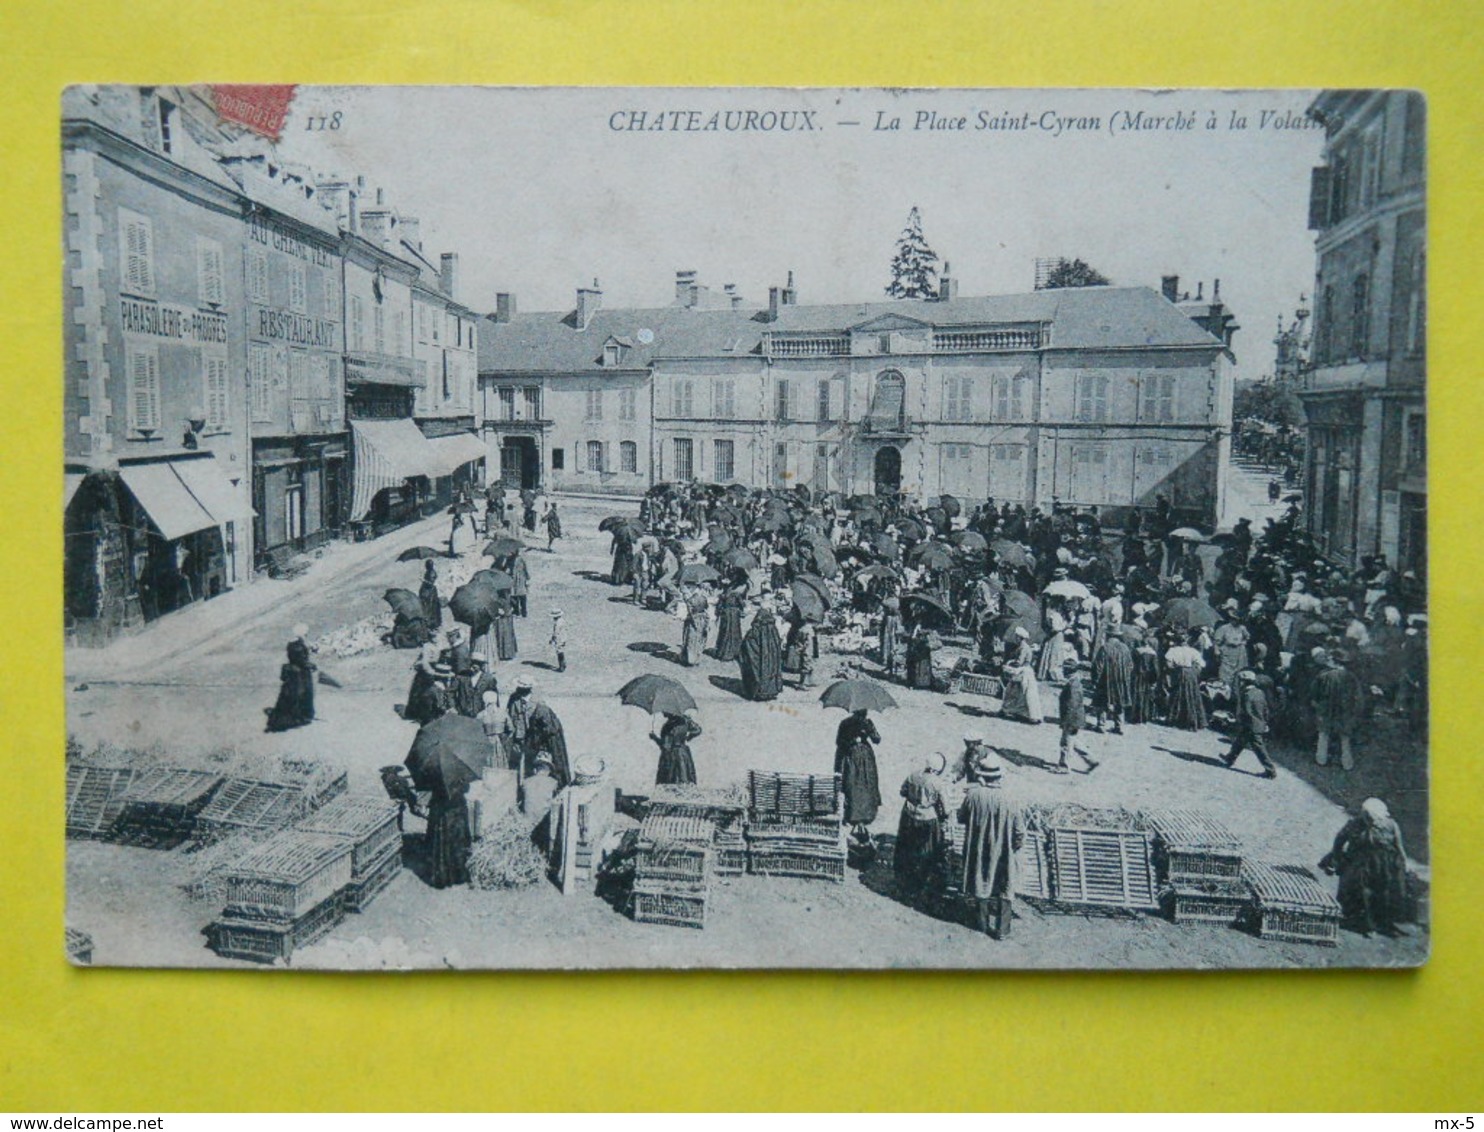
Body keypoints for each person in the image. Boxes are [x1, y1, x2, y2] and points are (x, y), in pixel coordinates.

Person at [958, 751, 1025, 940]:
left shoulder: (973, 796)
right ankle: (1002, 929)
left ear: (982, 776)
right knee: (1005, 886)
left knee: (981, 882)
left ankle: (982, 924)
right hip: (1003, 850)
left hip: (978, 848)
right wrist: (1014, 847)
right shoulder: (1010, 799)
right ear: (1000, 776)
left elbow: (961, 817)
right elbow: (1019, 832)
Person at [1320, 798, 1410, 937]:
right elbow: (1339, 840)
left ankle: (1383, 923)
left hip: (1383, 863)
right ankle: (1368, 926)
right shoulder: (1354, 824)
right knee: (1363, 893)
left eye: (1373, 819)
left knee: (1383, 892)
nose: (1370, 822)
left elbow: (1399, 847)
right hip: (1361, 862)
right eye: (1367, 818)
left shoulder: (1391, 825)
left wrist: (1404, 864)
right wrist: (1337, 858)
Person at [894, 752, 949, 904]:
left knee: (906, 849)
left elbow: (903, 791)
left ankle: (904, 883)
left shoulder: (913, 775)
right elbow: (946, 809)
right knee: (926, 854)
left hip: (908, 816)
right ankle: (919, 887)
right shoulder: (937, 783)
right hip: (927, 819)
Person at [834, 708, 882, 847]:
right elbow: (840, 741)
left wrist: (867, 731)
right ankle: (857, 813)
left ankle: (859, 812)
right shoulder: (848, 724)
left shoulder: (851, 723)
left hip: (858, 757)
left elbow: (877, 739)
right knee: (857, 784)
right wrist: (854, 740)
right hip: (856, 757)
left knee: (857, 784)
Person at [1312, 648, 1364, 770]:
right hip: (1345, 710)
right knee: (1345, 737)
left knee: (1323, 735)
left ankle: (1321, 760)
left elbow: (1314, 693)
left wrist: (1317, 705)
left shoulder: (1324, 675)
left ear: (1334, 661)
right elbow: (1358, 697)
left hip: (1326, 709)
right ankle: (1347, 764)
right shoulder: (1351, 677)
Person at [422, 765, 472, 890]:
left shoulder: (432, 767)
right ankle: (458, 875)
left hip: (439, 811)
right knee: (457, 843)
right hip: (455, 811)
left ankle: (442, 878)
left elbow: (428, 786)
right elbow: (466, 788)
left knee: (440, 843)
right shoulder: (459, 767)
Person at [1223, 669, 1277, 779]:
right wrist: (1265, 722)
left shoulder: (1246, 694)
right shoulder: (1259, 692)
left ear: (1244, 682)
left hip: (1250, 725)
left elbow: (1246, 712)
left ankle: (1270, 770)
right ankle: (1229, 758)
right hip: (1258, 724)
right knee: (1239, 742)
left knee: (1259, 749)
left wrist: (1238, 721)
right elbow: (1265, 709)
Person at [1053, 660, 1099, 774]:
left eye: (1064, 669)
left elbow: (1072, 704)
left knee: (1065, 742)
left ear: (1068, 670)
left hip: (1071, 718)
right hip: (1076, 717)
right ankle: (1092, 760)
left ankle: (1064, 766)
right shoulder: (1075, 681)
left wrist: (1066, 721)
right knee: (1074, 742)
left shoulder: (1072, 684)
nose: (1062, 671)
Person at [266, 636, 317, 732]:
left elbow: (283, 677)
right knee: (298, 696)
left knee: (292, 697)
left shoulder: (293, 650)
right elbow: (300, 659)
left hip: (296, 678)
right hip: (298, 678)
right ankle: (299, 716)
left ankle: (297, 715)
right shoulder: (299, 648)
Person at [1091, 630, 1135, 734]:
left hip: (1106, 679)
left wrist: (1095, 680)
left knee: (1102, 701)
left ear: (1108, 635)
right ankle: (1119, 726)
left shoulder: (1105, 647)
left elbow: (1098, 666)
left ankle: (1101, 725)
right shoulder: (1125, 648)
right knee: (1120, 702)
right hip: (1122, 680)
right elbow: (1130, 665)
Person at [1164, 629, 1208, 731]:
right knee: (1191, 695)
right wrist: (1194, 672)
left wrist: (1175, 670)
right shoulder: (1193, 651)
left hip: (1179, 673)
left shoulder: (1173, 651)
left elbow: (1168, 664)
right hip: (1190, 673)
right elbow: (1201, 665)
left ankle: (1175, 718)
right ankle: (1191, 720)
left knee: (1177, 695)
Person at [739, 603, 784, 702]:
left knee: (757, 671)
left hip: (759, 658)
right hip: (771, 659)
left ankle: (759, 691)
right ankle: (771, 691)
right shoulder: (773, 630)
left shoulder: (755, 630)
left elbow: (747, 644)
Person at [1000, 627, 1043, 725]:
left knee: (1023, 693)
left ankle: (1030, 715)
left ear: (1020, 638)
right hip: (1022, 671)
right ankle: (1015, 711)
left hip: (1024, 672)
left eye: (1017, 637)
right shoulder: (1021, 646)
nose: (1015, 638)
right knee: (1017, 692)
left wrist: (1009, 663)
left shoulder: (1024, 648)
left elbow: (1019, 662)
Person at [526, 696, 571, 788]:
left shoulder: (541, 711)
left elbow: (545, 730)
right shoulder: (546, 711)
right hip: (554, 743)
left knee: (553, 764)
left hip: (551, 744)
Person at [404, 641, 450, 726]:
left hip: (437, 669)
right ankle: (418, 713)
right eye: (434, 630)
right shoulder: (427, 646)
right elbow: (425, 662)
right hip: (427, 672)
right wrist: (431, 671)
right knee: (421, 693)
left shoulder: (440, 642)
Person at [655, 711, 702, 785]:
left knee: (671, 780)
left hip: (672, 756)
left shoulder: (668, 726)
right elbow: (698, 730)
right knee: (685, 777)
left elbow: (665, 746)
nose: (662, 712)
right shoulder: (685, 720)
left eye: (664, 710)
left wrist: (654, 738)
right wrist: (689, 736)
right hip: (683, 753)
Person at [451, 651, 498, 720]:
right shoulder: (461, 676)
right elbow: (450, 692)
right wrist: (452, 707)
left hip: (481, 715)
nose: (474, 665)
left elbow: (494, 697)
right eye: (472, 662)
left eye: (477, 663)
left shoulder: (489, 679)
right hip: (462, 714)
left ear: (482, 665)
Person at [503, 677, 534, 774]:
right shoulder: (513, 697)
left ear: (528, 689)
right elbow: (508, 713)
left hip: (531, 735)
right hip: (516, 735)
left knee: (530, 762)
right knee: (514, 762)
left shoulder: (537, 700)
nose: (518, 689)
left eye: (521, 688)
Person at [712, 586, 745, 662]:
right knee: (735, 633)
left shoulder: (722, 595)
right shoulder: (736, 595)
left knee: (725, 633)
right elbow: (742, 605)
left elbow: (718, 607)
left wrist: (719, 613)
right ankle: (735, 652)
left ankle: (724, 652)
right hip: (734, 615)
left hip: (726, 615)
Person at [905, 623, 940, 690]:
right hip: (916, 646)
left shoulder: (926, 625)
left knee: (923, 665)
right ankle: (914, 682)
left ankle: (923, 682)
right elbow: (913, 636)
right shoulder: (914, 625)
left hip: (922, 646)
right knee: (915, 665)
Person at [681, 587, 710, 667]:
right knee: (699, 640)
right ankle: (696, 659)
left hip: (692, 621)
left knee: (690, 640)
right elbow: (706, 609)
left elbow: (690, 612)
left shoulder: (690, 600)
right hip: (702, 620)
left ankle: (689, 659)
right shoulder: (704, 599)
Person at [878, 596, 903, 678]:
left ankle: (892, 668)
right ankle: (891, 666)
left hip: (890, 632)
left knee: (890, 648)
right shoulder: (890, 616)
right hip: (890, 632)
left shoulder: (892, 617)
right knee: (891, 648)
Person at [492, 593, 519, 661]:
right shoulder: (509, 597)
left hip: (500, 621)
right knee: (508, 636)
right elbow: (515, 604)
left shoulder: (496, 599)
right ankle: (509, 653)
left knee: (500, 636)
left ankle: (501, 653)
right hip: (508, 619)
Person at [419, 560, 443, 631]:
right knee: (429, 607)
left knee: (431, 607)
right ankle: (430, 623)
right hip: (429, 591)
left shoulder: (432, 572)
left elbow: (431, 583)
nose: (426, 566)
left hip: (430, 592)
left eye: (427, 565)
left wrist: (424, 581)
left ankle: (432, 624)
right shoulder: (429, 572)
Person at [795, 617, 818, 689]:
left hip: (807, 649)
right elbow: (807, 641)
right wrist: (803, 647)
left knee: (809, 665)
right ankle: (802, 683)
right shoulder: (808, 630)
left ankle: (809, 681)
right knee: (806, 666)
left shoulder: (801, 629)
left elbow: (798, 640)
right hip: (807, 650)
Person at [508, 550, 530, 618]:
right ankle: (517, 611)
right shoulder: (510, 559)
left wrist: (527, 577)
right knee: (514, 596)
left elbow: (525, 569)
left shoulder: (520, 559)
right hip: (514, 580)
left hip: (520, 579)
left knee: (521, 596)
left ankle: (523, 612)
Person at [548, 607, 568, 672]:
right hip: (564, 637)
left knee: (559, 652)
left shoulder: (557, 623)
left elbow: (556, 632)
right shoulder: (562, 620)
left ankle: (561, 666)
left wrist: (552, 639)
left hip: (559, 639)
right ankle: (564, 664)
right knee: (561, 650)